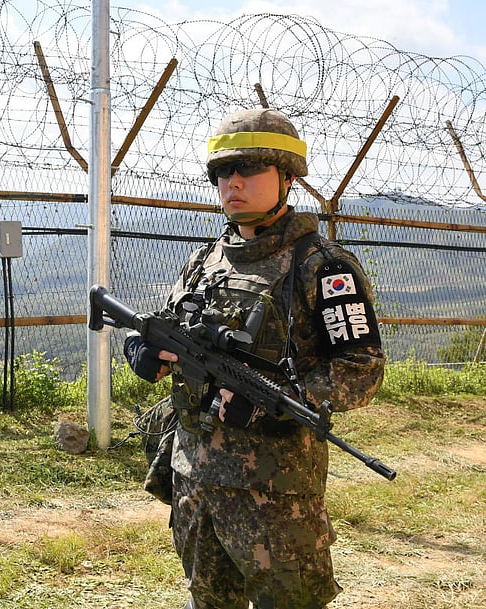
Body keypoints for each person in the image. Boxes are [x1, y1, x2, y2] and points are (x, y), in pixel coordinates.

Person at [124, 108, 385, 609]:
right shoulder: (209, 259)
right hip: (195, 477)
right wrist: (140, 345)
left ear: (287, 177)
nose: (233, 183)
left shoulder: (321, 266)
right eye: (224, 172)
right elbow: (167, 321)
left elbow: (362, 370)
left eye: (249, 170)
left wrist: (278, 401)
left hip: (275, 493)